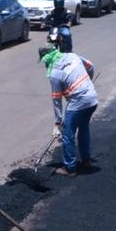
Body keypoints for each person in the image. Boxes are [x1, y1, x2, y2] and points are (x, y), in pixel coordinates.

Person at [37, 44, 97, 177]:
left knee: (67, 134)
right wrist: (88, 83)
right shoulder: (72, 56)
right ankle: (86, 160)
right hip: (92, 99)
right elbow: (90, 66)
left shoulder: (54, 74)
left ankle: (70, 168)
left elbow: (56, 99)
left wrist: (58, 123)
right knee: (84, 128)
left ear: (46, 59)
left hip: (78, 102)